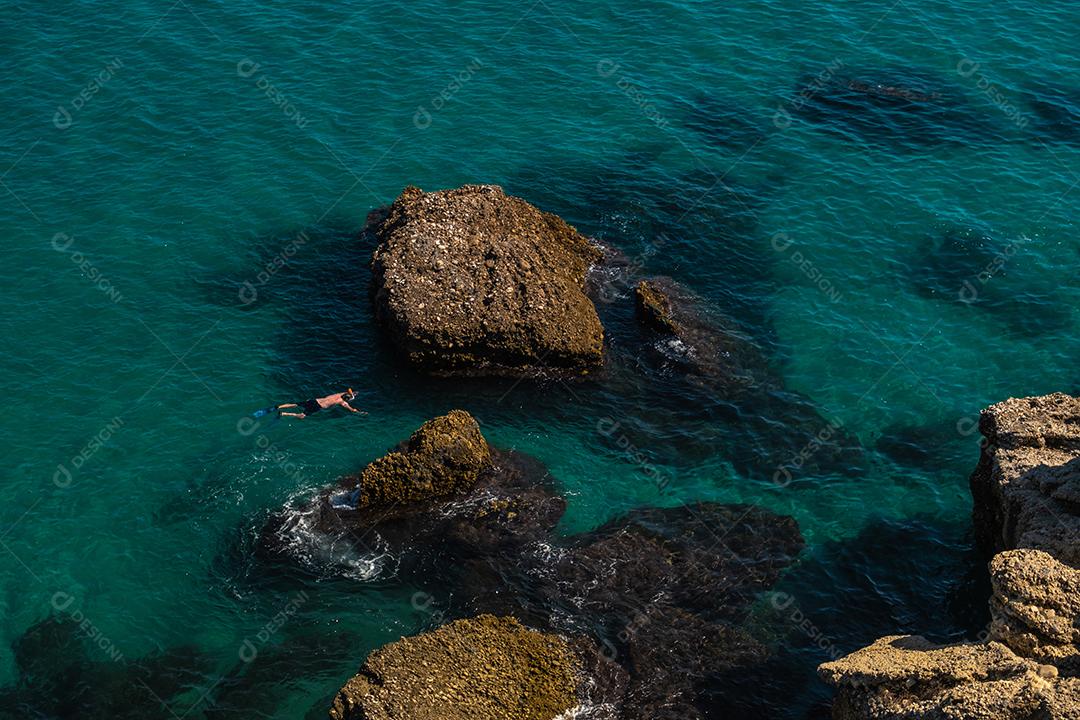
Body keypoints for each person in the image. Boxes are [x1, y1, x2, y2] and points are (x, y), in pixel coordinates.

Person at [277, 389, 364, 419]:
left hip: (315, 400)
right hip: (318, 406)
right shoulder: (343, 402)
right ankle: (284, 414)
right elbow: (352, 410)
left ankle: (278, 406)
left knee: (295, 404)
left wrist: (352, 395)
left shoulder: (339, 394)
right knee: (301, 416)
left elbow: (349, 390)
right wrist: (360, 412)